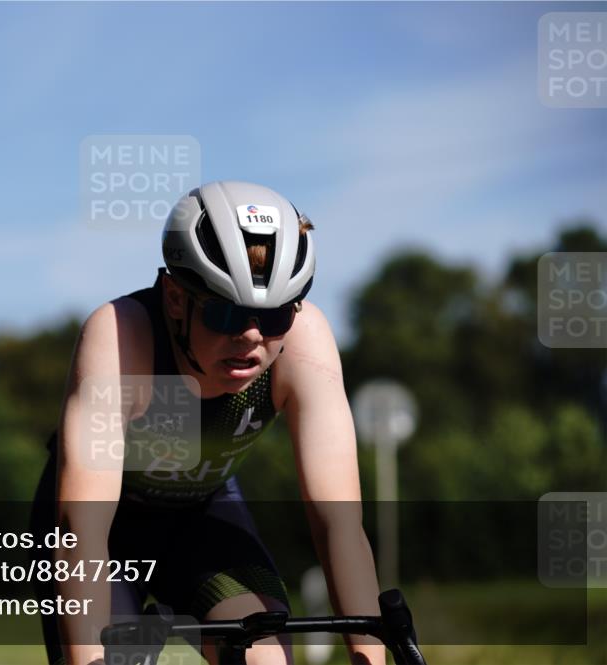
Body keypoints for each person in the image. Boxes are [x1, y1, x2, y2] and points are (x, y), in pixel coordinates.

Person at [29, 181, 385, 665]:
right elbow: (81, 530)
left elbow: (338, 524)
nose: (252, 337)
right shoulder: (121, 337)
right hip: (102, 530)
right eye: (226, 313)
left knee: (264, 658)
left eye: (276, 314)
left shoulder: (305, 342)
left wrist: (370, 656)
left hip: (201, 512)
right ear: (175, 298)